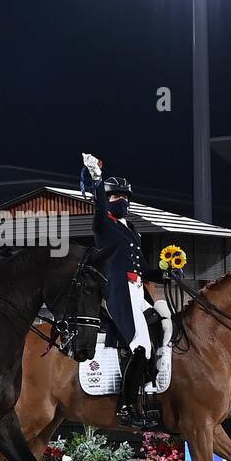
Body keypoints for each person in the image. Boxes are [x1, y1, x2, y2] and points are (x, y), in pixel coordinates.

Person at [82, 152, 153, 427]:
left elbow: (143, 267)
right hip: (119, 293)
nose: (121, 200)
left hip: (138, 289)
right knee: (140, 345)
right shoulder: (104, 225)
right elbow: (99, 206)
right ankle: (127, 406)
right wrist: (97, 181)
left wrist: (167, 271)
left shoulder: (132, 230)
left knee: (164, 329)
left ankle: (149, 385)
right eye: (115, 197)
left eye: (124, 196)